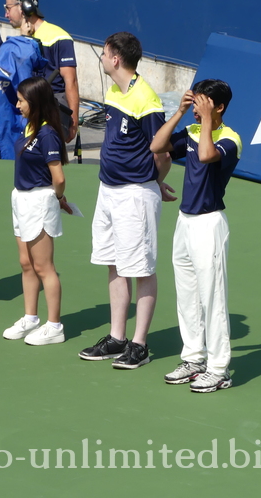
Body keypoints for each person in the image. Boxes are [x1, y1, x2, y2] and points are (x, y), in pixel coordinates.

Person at [79, 32, 176, 369]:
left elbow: (163, 152)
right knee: (114, 263)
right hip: (108, 191)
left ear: (116, 58)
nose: (102, 59)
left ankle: (140, 345)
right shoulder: (112, 91)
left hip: (135, 196)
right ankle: (117, 337)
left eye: (104, 54)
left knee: (141, 268)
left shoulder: (147, 99)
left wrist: (154, 183)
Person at [150, 79, 240, 393]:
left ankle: (219, 369)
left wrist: (204, 122)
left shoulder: (230, 139)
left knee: (212, 297)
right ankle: (193, 358)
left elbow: (204, 155)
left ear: (220, 107)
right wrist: (180, 112)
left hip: (210, 225)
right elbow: (157, 146)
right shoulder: (189, 130)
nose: (197, 110)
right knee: (187, 293)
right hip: (185, 223)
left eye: (203, 104)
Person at [2, 77, 72, 345]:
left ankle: (54, 326)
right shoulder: (30, 127)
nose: (17, 105)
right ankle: (31, 318)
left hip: (39, 201)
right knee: (26, 263)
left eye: (21, 101)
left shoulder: (47, 134)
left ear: (36, 102)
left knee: (44, 267)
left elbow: (59, 177)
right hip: (20, 199)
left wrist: (58, 198)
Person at [4, 0, 80, 142]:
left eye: (8, 8)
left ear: (24, 7)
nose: (6, 14)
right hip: (26, 104)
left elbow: (70, 81)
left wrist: (74, 119)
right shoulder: (20, 40)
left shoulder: (58, 37)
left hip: (50, 105)